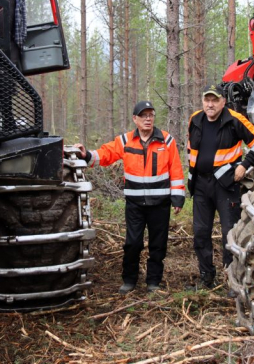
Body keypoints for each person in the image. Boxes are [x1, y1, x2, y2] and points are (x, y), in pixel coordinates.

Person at [75, 101, 185, 294]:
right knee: (133, 243)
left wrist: (177, 196)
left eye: (151, 115)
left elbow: (175, 169)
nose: (148, 119)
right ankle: (129, 280)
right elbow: (105, 154)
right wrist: (86, 155)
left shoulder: (166, 141)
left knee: (158, 245)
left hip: (160, 204)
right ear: (135, 119)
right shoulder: (125, 141)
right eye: (143, 115)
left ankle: (153, 282)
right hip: (135, 204)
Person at [187, 84, 254, 291]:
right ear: (202, 101)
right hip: (200, 184)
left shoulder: (234, 119)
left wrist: (244, 165)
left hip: (225, 184)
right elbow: (191, 150)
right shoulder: (195, 119)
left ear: (223, 101)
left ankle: (232, 280)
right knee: (200, 232)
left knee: (229, 232)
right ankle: (206, 277)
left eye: (215, 100)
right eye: (207, 100)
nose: (210, 104)